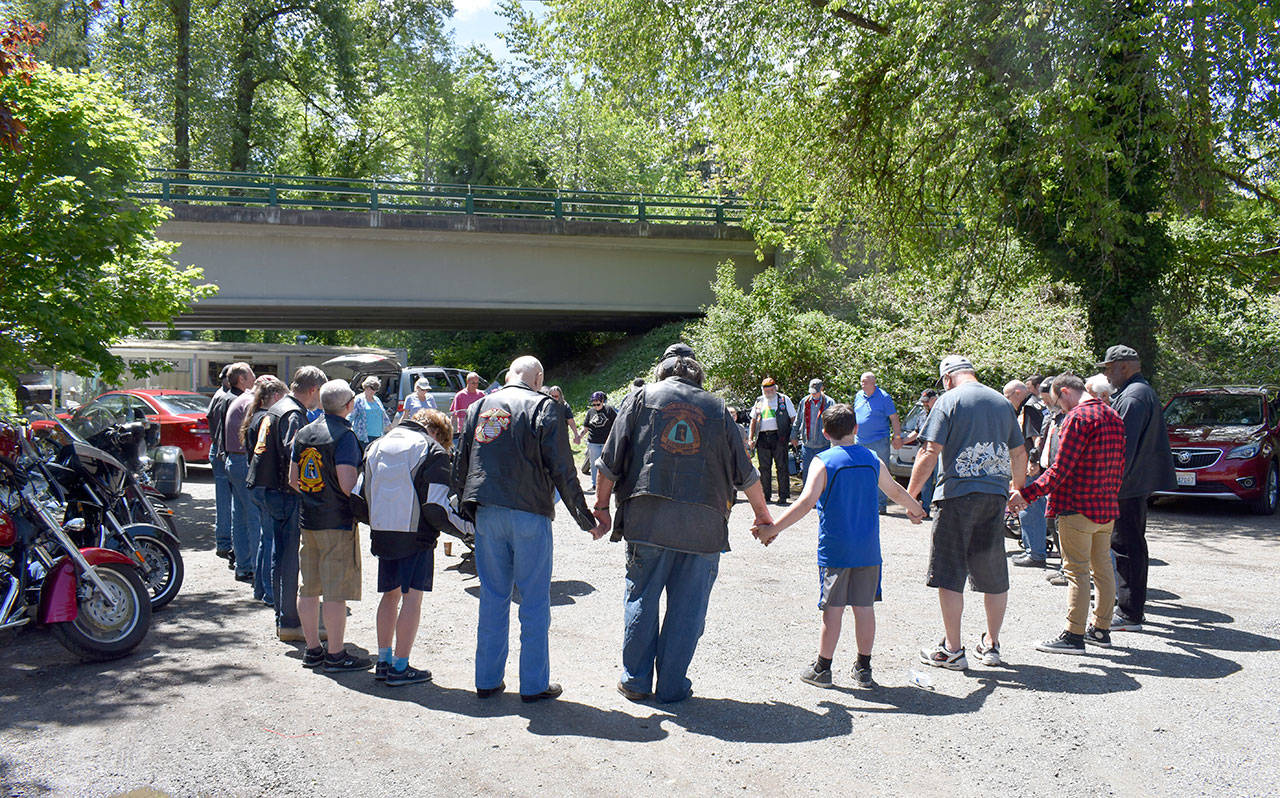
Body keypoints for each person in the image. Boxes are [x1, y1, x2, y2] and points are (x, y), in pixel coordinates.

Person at [593, 343, 772, 703]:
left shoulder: (640, 398)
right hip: (704, 526)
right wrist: (763, 516)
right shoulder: (718, 409)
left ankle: (635, 681)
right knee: (688, 608)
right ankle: (672, 686)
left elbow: (609, 461)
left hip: (647, 520)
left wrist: (601, 507)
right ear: (698, 374)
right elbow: (746, 472)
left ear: (661, 370)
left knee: (642, 594)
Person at [452, 356, 603, 702]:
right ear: (538, 378)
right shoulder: (544, 406)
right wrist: (586, 520)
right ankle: (533, 685)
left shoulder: (479, 407)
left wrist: (465, 510)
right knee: (534, 600)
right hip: (529, 513)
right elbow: (563, 469)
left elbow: (461, 461)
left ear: (508, 376)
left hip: (488, 511)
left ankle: (487, 679)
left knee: (492, 595)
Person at [753, 404, 925, 689]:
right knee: (864, 607)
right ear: (856, 429)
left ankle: (823, 668)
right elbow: (893, 489)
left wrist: (774, 528)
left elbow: (806, 502)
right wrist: (916, 509)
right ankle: (864, 668)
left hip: (836, 550)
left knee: (833, 610)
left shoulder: (823, 462)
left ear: (824, 433)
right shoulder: (871, 458)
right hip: (868, 550)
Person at [907, 356, 1027, 670]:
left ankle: (953, 649)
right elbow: (1019, 452)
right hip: (994, 496)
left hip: (957, 496)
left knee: (949, 573)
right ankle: (991, 645)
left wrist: (911, 496)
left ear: (947, 378)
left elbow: (929, 451)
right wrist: (1018, 488)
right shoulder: (1003, 403)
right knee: (993, 573)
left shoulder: (948, 401)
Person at [1007, 373, 1126, 654]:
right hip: (1106, 507)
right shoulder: (1113, 415)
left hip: (1077, 507)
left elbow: (1060, 470)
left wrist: (1026, 494)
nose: (1059, 409)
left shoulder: (1078, 418)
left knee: (1077, 573)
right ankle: (1101, 629)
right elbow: (1121, 465)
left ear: (1065, 392)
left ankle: (1073, 635)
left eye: (1058, 402)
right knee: (1103, 570)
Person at [361, 407, 472, 685]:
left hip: (382, 532)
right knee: (412, 598)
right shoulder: (432, 450)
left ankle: (383, 661)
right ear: (436, 432)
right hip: (415, 535)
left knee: (389, 595)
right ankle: (401, 667)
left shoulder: (375, 446)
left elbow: (357, 497)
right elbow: (436, 506)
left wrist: (378, 520)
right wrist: (468, 532)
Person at [290, 379, 369, 673]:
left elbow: (294, 480)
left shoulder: (304, 433)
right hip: (336, 522)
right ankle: (335, 654)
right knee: (335, 591)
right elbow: (348, 485)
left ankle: (312, 650)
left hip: (308, 520)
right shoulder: (345, 436)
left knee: (308, 588)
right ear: (349, 405)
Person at [1099, 345, 1176, 632]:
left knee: (1126, 547)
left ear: (1124, 366)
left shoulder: (1133, 396)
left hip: (1127, 486)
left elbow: (1122, 448)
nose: (1107, 374)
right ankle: (1130, 609)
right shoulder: (1139, 392)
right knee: (1130, 545)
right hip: (1134, 483)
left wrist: (1108, 484)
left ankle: (1130, 613)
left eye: (1109, 368)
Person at [248, 365, 327, 642]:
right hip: (285, 493)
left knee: (279, 554)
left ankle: (284, 616)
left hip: (269, 488)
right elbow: (295, 450)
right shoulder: (294, 413)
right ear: (314, 389)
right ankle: (291, 620)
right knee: (289, 557)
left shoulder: (278, 407)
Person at [241, 375, 288, 607]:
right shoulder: (267, 419)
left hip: (255, 484)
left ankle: (261, 588)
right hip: (266, 484)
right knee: (270, 541)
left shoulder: (255, 417)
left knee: (264, 538)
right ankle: (270, 592)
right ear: (277, 397)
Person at [224, 365, 262, 585]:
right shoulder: (249, 403)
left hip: (233, 460)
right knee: (254, 516)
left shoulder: (239, 400)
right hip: (243, 461)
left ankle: (244, 566)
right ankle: (257, 569)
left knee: (239, 516)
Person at [1003, 380, 1048, 567]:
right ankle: (1033, 549)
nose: (1007, 401)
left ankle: (1035, 553)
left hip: (1031, 466)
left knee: (1029, 509)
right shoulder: (1034, 405)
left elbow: (1037, 438)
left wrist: (1033, 461)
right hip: (1033, 464)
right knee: (1031, 508)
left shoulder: (1029, 407)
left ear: (1018, 392)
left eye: (1008, 396)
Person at [853, 372, 904, 514]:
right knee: (861, 472)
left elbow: (894, 418)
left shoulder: (884, 397)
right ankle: (863, 503)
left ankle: (880, 505)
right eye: (861, 382)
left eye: (865, 382)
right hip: (860, 441)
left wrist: (897, 436)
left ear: (873, 383)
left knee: (881, 473)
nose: (863, 384)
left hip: (879, 441)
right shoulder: (858, 396)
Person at [747, 377, 797, 505]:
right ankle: (766, 495)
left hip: (779, 437)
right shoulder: (759, 401)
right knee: (764, 467)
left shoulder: (784, 399)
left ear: (775, 388)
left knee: (782, 466)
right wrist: (750, 438)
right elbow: (753, 420)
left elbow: (793, 418)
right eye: (766, 390)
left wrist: (794, 435)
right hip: (762, 437)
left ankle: (783, 496)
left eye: (771, 389)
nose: (768, 392)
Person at [207, 364, 238, 564]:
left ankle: (223, 541)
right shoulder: (227, 398)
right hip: (223, 452)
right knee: (228, 501)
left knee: (223, 500)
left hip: (217, 450)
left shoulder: (218, 396)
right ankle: (226, 543)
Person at [901, 389, 939, 519]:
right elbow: (917, 432)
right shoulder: (922, 414)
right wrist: (903, 441)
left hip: (939, 451)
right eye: (923, 402)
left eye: (927, 402)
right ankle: (925, 509)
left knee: (940, 480)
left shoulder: (942, 413)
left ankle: (941, 510)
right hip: (923, 448)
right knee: (924, 482)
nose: (924, 404)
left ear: (934, 399)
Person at [796, 379, 835, 479]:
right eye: (812, 392)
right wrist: (793, 435)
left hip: (823, 445)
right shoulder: (804, 402)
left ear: (822, 389)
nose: (813, 394)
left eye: (816, 392)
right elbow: (798, 420)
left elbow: (834, 423)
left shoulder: (829, 403)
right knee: (807, 474)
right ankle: (807, 494)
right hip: (807, 446)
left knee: (823, 475)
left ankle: (824, 495)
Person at [581, 391, 617, 492]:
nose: (596, 406)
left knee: (608, 465)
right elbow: (586, 428)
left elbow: (616, 424)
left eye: (598, 404)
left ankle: (611, 486)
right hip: (593, 442)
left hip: (607, 442)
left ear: (602, 401)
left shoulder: (609, 410)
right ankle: (595, 485)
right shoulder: (590, 412)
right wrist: (579, 436)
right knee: (594, 465)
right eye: (594, 404)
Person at [351, 376, 391, 447]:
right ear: (366, 387)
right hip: (364, 437)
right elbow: (350, 416)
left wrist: (391, 431)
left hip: (378, 436)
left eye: (376, 389)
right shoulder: (358, 400)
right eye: (372, 388)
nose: (373, 391)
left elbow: (384, 416)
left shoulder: (377, 400)